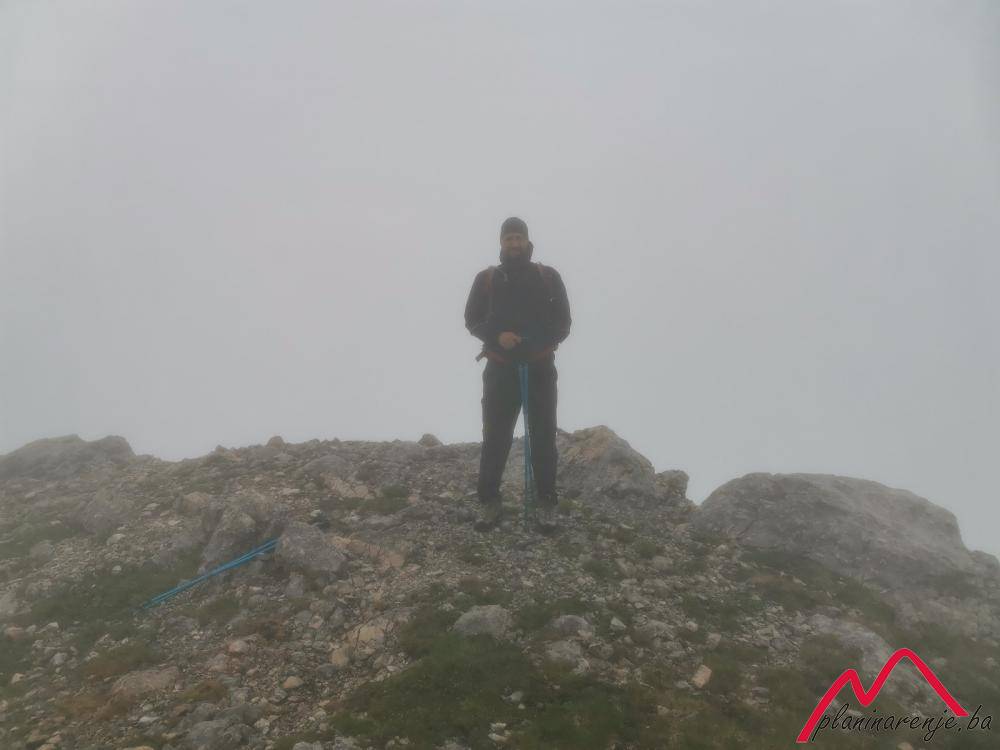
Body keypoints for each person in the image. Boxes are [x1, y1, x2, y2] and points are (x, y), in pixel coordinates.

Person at [464, 217, 572, 533]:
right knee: (495, 435)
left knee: (543, 434)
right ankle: (489, 501)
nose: (514, 243)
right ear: (501, 242)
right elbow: (471, 319)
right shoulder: (486, 279)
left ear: (527, 241)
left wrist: (536, 342)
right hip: (500, 369)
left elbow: (564, 322)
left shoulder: (548, 277)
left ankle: (546, 501)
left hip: (540, 368)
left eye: (518, 238)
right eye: (509, 238)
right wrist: (497, 337)